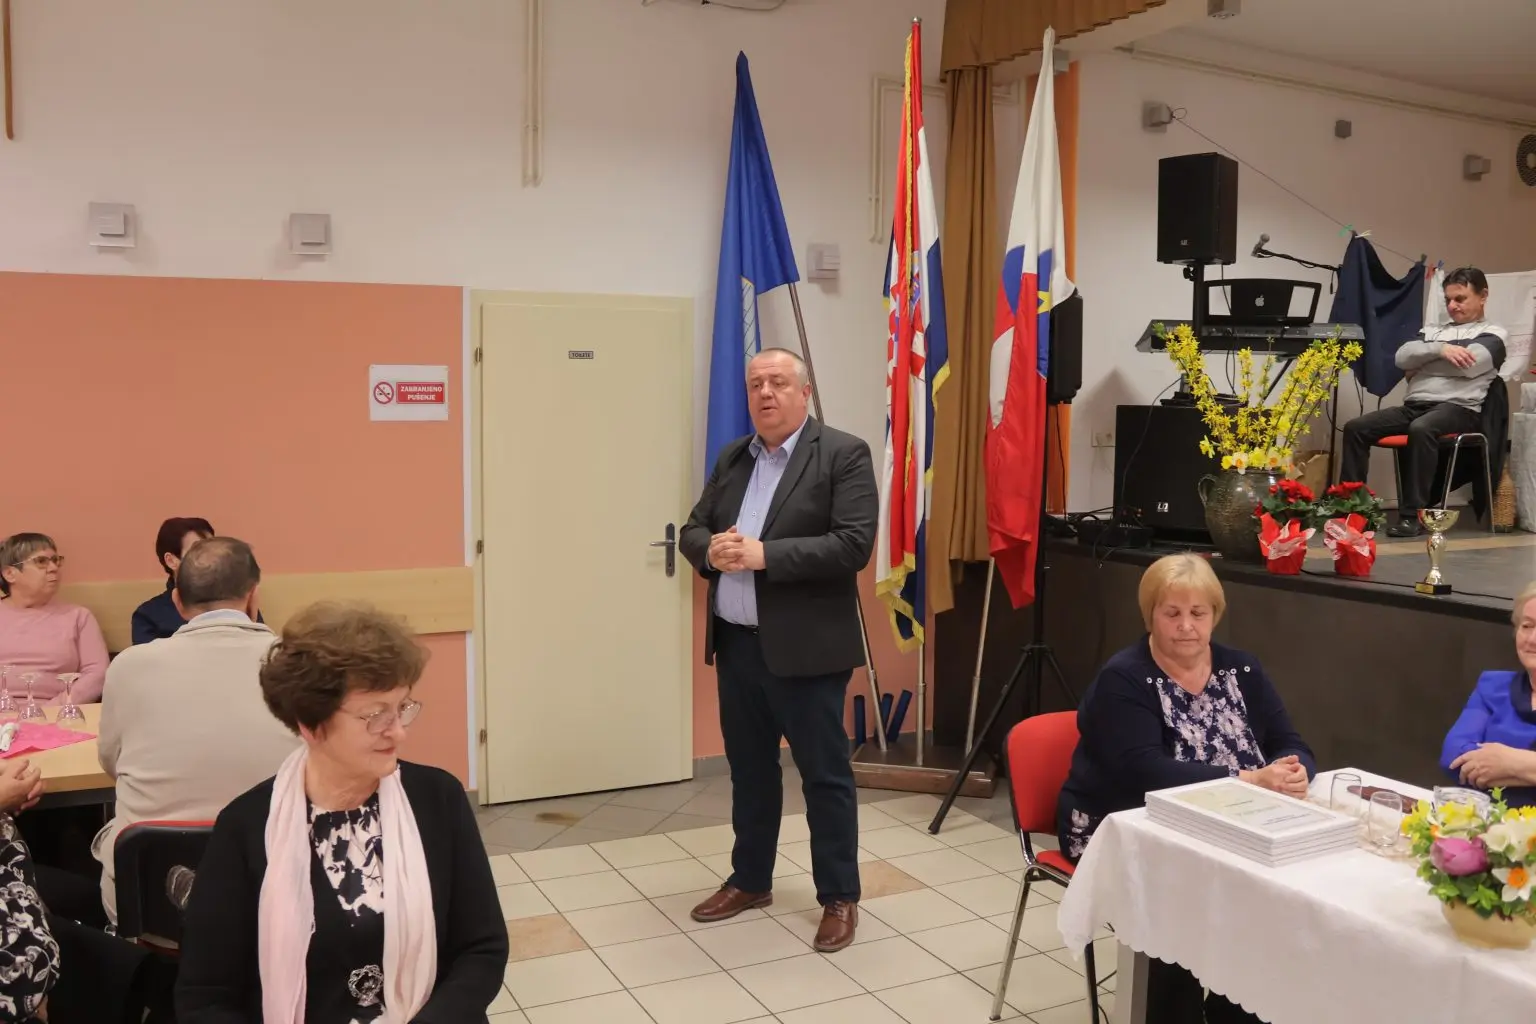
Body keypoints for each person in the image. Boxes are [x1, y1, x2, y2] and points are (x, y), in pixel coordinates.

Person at [175, 602, 508, 1023]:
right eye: (375, 716)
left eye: (402, 708)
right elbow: (205, 997)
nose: (398, 731)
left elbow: (483, 948)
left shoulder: (437, 799)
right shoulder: (246, 827)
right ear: (310, 725)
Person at [678, 347, 878, 954]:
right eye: (755, 384)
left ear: (804, 392)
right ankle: (751, 879)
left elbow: (853, 545)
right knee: (750, 772)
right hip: (737, 646)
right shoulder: (734, 457)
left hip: (808, 652)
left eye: (778, 382)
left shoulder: (843, 454)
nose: (764, 393)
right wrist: (710, 550)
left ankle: (839, 895)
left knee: (824, 777)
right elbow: (692, 528)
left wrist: (766, 555)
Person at [1058, 553, 1315, 1024]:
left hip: (1234, 822)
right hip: (1122, 827)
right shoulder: (1124, 678)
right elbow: (1144, 772)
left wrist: (1296, 771)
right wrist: (1247, 779)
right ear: (1149, 616)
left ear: (1215, 614)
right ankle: (1170, 1010)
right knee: (1191, 898)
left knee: (1273, 896)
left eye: (1198, 613)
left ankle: (1237, 1009)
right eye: (1171, 613)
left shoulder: (1242, 670)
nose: (1186, 626)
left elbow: (1289, 741)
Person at [94, 536, 301, 924]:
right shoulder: (300, 664)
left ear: (177, 601)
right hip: (281, 901)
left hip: (149, 901)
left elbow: (112, 764)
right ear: (253, 596)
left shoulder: (129, 667)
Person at [1339, 267, 1508, 537]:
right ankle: (1350, 511)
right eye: (1448, 300)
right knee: (1356, 428)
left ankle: (1413, 516)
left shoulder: (1495, 334)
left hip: (1460, 409)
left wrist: (1423, 364)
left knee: (1422, 428)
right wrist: (1441, 349)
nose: (1452, 306)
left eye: (1460, 299)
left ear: (1483, 296)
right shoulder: (1432, 331)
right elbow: (1402, 358)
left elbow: (1469, 366)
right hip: (1415, 406)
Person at [1443, 581, 1536, 805]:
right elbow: (1452, 755)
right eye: (1527, 626)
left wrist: (1512, 762)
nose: (1532, 639)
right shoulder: (1493, 686)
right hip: (1487, 820)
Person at [0, 533, 108, 705]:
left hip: (58, 713)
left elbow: (97, 674)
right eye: (41, 561)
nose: (53, 568)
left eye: (55, 560)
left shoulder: (78, 617)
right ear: (10, 574)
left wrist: (53, 710)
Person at [130, 517, 214, 646]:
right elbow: (146, 658)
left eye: (213, 549)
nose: (211, 558)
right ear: (171, 561)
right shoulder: (148, 616)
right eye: (198, 551)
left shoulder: (235, 602)